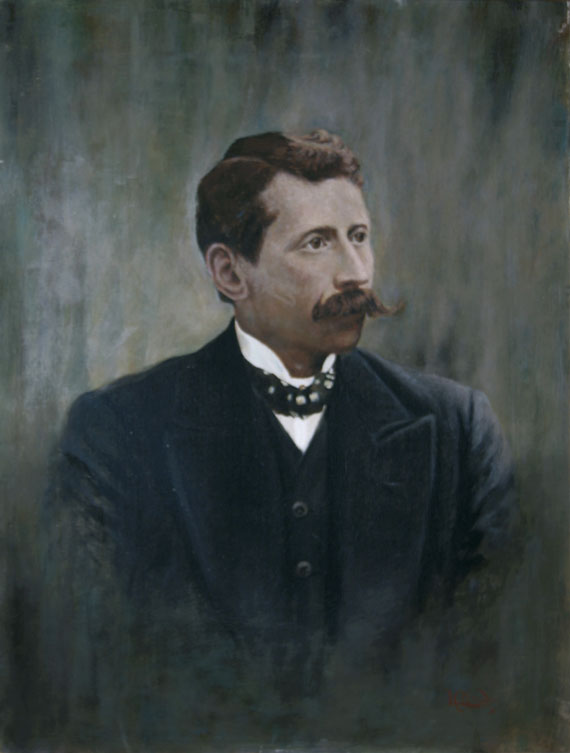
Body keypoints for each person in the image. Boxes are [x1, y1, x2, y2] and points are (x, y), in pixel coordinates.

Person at [40, 129, 518, 749]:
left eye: (359, 236)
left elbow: (492, 667)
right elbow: (92, 677)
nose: (355, 273)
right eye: (317, 243)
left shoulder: (457, 428)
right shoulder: (115, 433)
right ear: (229, 271)